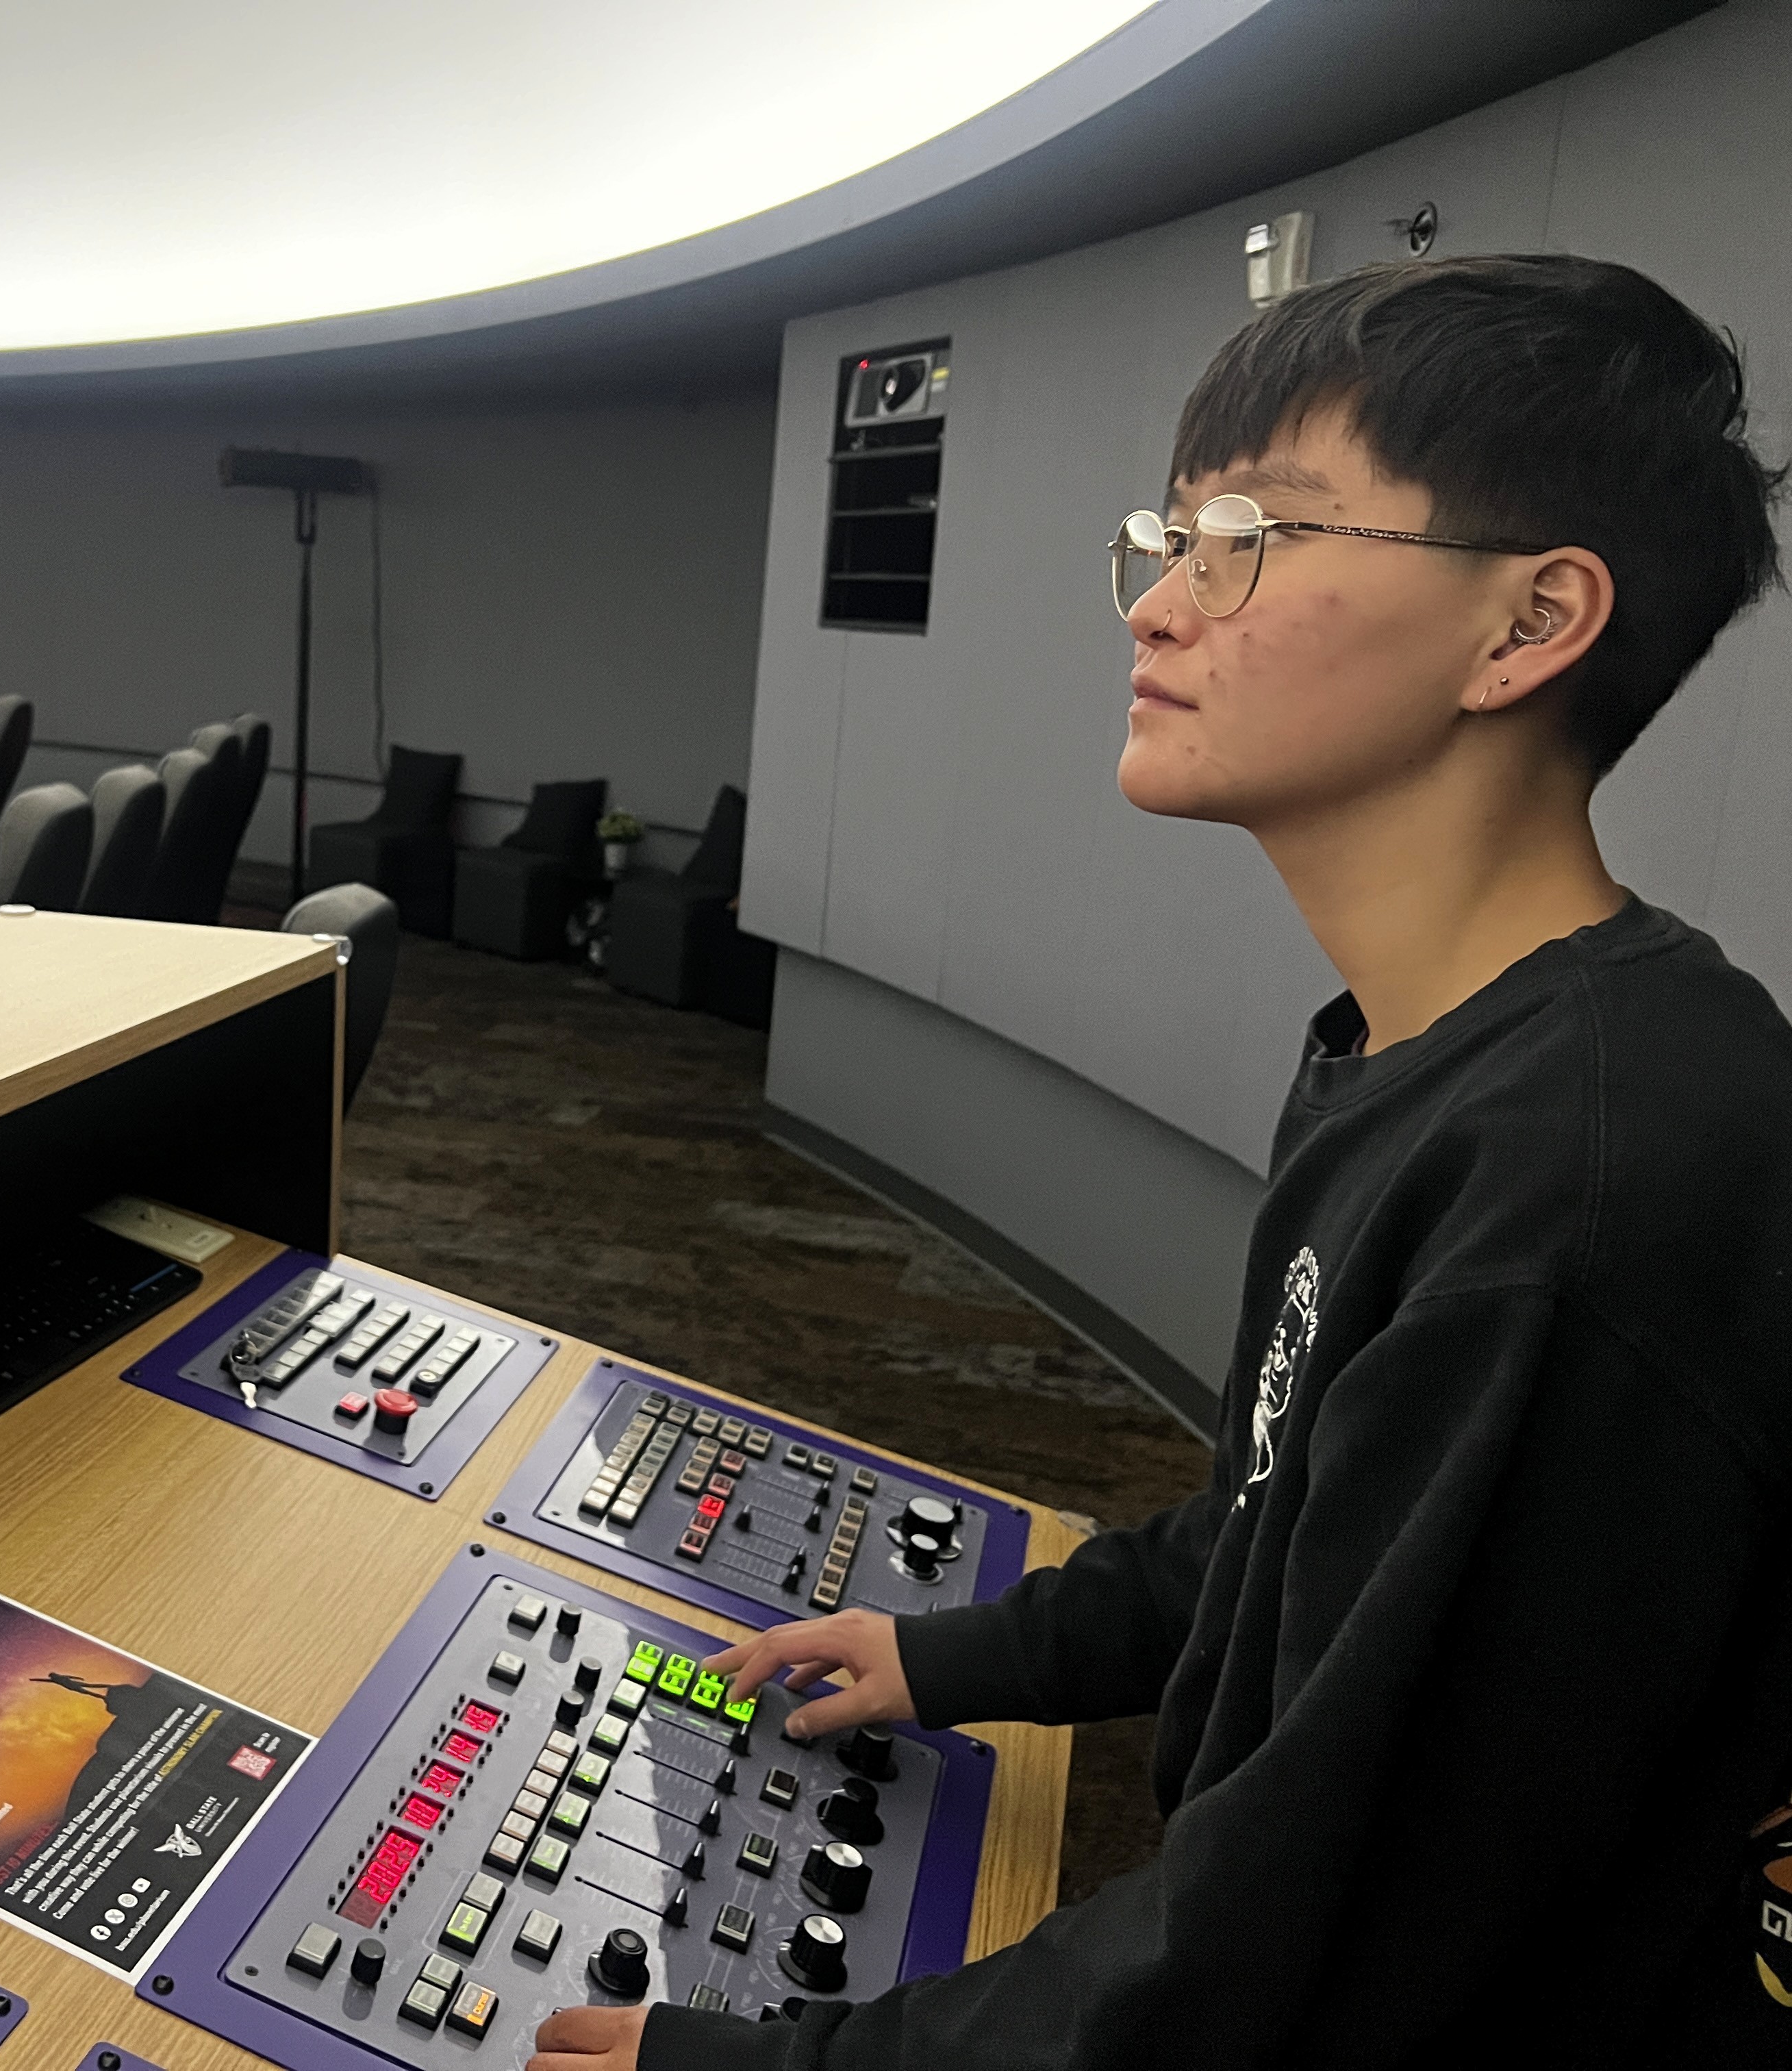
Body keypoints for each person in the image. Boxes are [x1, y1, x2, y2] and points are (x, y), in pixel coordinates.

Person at [528, 253, 1791, 2070]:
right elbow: (1299, 1528)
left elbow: (1320, 1948)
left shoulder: (1593, 1187)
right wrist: (959, 1659)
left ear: (1527, 628)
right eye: (1173, 540)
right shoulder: (1422, 1055)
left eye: (1254, 538)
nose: (1162, 608)